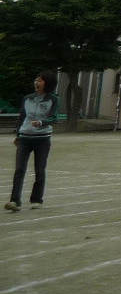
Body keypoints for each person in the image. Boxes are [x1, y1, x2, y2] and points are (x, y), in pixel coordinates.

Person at [8, 72, 60, 211]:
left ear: (47, 83)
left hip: (42, 139)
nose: (37, 83)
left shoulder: (53, 100)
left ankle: (36, 199)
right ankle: (14, 201)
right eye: (36, 80)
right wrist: (18, 134)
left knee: (39, 169)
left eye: (41, 80)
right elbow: (21, 117)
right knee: (19, 169)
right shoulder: (27, 99)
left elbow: (54, 118)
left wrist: (42, 122)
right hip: (25, 137)